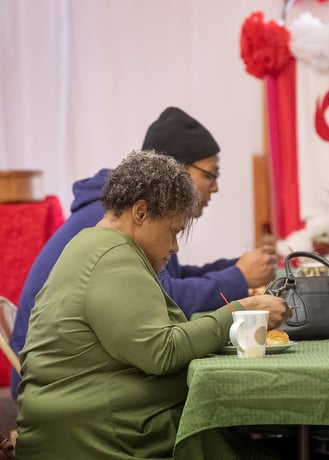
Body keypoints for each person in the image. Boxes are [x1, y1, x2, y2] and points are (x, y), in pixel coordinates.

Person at [15, 151, 291, 459]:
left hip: (90, 421)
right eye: (173, 231)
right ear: (141, 213)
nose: (174, 246)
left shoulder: (96, 245)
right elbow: (162, 351)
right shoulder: (111, 256)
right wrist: (241, 312)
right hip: (101, 434)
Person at [9, 106, 277, 399]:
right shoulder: (109, 226)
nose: (215, 188)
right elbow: (162, 318)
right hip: (66, 385)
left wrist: (236, 267)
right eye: (211, 175)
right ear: (175, 172)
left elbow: (165, 281)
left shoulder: (130, 217)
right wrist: (238, 290)